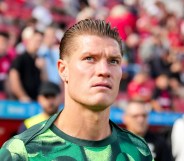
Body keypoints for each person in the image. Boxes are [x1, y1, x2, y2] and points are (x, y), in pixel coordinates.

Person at [0, 19, 153, 161]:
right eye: (89, 58)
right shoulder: (22, 153)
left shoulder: (138, 150)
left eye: (114, 61)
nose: (104, 70)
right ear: (63, 70)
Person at [8, 29, 45, 102]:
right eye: (36, 40)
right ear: (28, 41)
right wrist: (23, 96)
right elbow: (13, 79)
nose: (38, 44)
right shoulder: (20, 59)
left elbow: (44, 81)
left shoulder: (40, 60)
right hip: (21, 103)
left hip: (36, 101)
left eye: (40, 41)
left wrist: (42, 69)